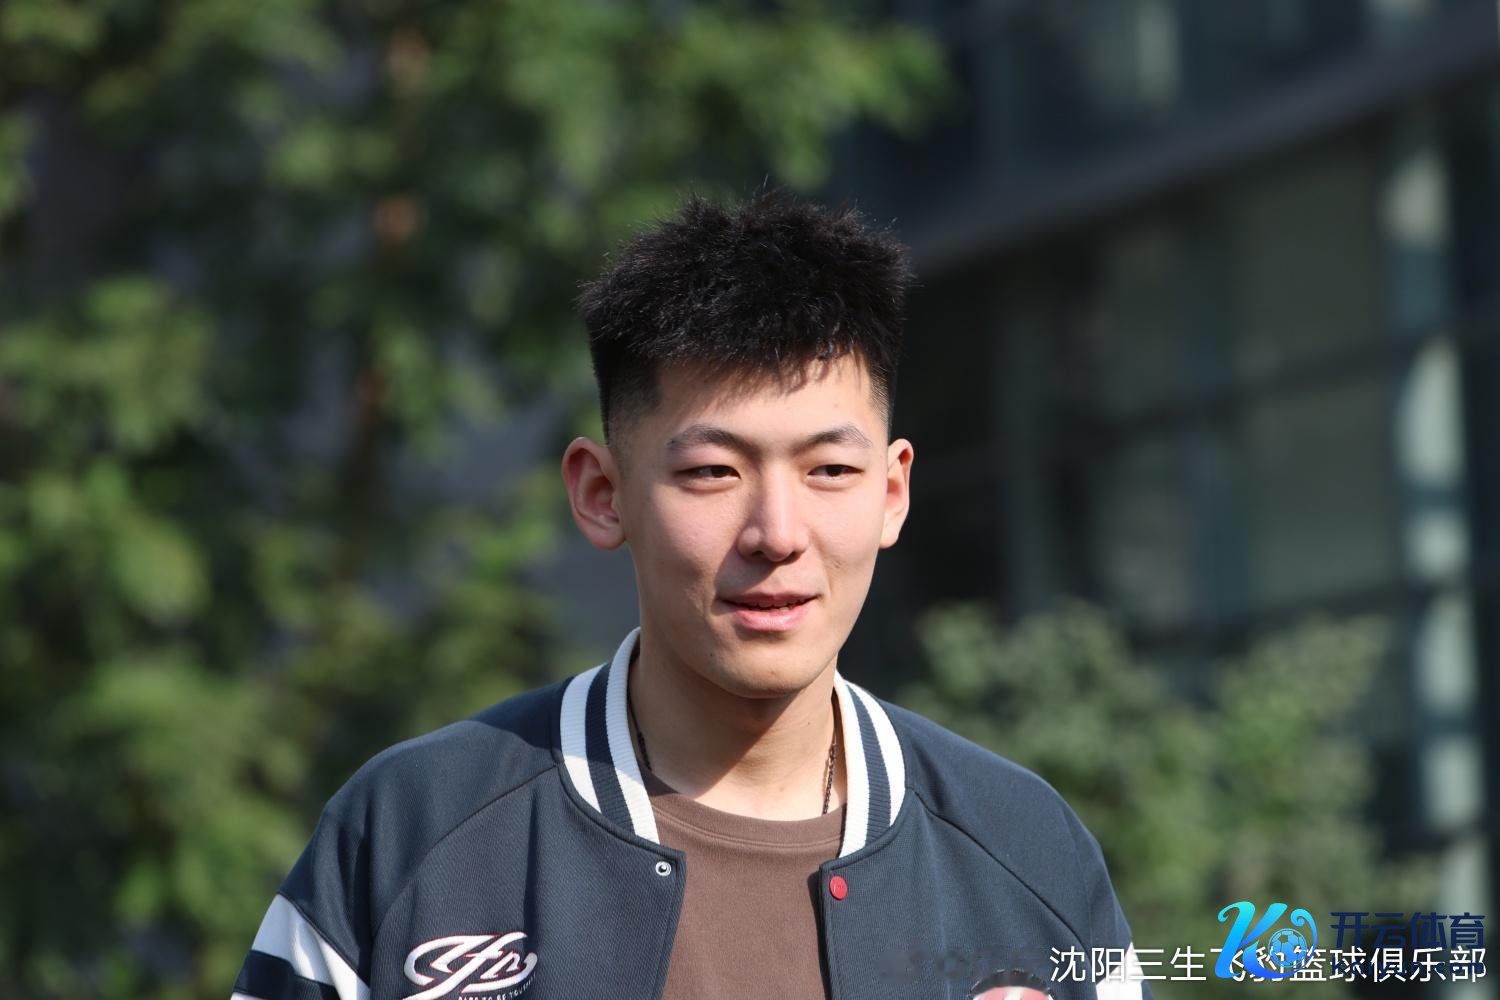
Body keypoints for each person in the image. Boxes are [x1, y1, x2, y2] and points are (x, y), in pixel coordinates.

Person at [230, 189, 1150, 1000]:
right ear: (603, 493)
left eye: (830, 469)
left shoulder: (1026, 852)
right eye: (714, 470)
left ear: (892, 492)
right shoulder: (409, 835)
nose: (777, 533)